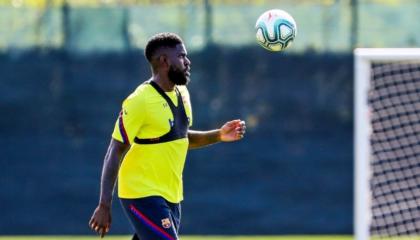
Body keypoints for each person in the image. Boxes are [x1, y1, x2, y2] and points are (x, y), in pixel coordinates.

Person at [88, 32, 246, 240]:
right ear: (164, 61)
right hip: (141, 193)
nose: (188, 62)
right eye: (181, 56)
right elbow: (114, 150)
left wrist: (218, 135)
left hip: (171, 195)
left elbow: (181, 138)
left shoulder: (183, 93)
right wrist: (104, 205)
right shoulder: (140, 100)